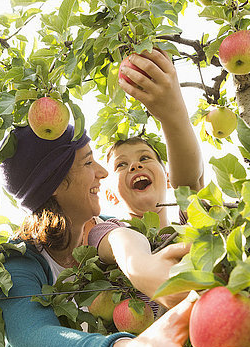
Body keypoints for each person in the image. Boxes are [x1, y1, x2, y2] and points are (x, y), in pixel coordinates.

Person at [0, 121, 250, 347]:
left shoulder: (105, 229)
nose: (101, 172)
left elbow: (119, 238)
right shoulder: (19, 261)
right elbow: (38, 344)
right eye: (88, 162)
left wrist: (141, 265)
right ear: (54, 182)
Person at [87, 48, 204, 309]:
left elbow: (190, 180)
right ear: (109, 194)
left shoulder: (187, 228)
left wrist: (172, 114)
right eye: (121, 164)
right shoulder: (106, 230)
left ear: (168, 178)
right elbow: (120, 245)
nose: (135, 165)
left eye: (146, 158)